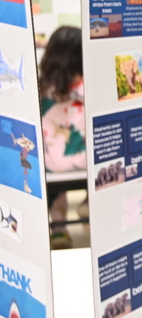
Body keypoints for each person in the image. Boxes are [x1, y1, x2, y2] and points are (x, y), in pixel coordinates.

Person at [38, 26, 87, 249]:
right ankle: (89, 204)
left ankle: (58, 228)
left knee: (50, 162)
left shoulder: (40, 90)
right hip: (87, 163)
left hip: (53, 165)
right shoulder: (91, 86)